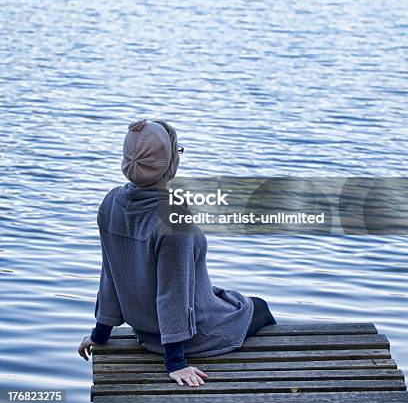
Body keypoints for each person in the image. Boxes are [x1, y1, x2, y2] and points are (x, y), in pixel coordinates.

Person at [78, 119, 276, 386]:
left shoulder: (111, 203)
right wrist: (175, 363)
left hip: (145, 331)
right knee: (259, 307)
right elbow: (172, 294)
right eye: (177, 151)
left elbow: (110, 276)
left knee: (228, 298)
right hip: (188, 337)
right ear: (169, 163)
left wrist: (100, 334)